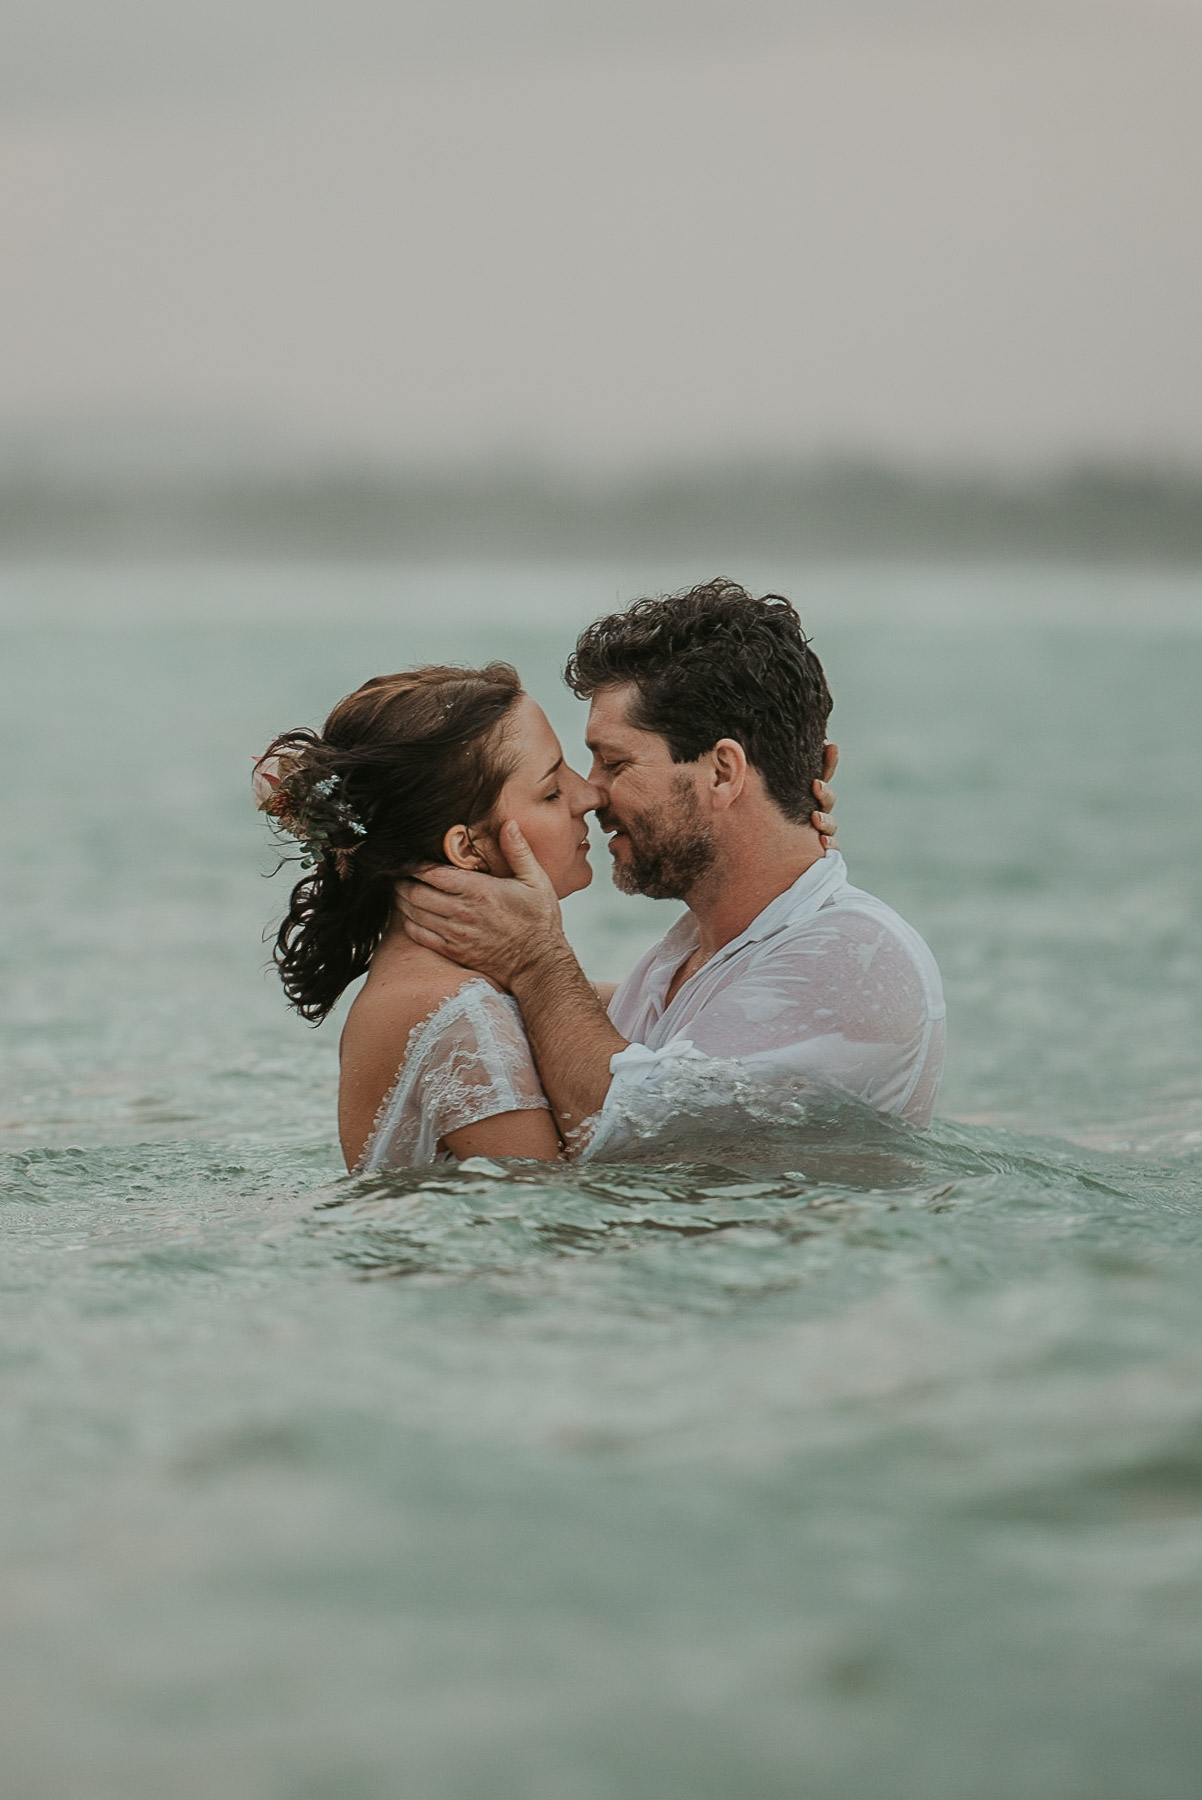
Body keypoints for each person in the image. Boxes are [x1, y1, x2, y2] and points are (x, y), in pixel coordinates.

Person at [398, 579, 946, 1156]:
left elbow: (622, 1137)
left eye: (614, 762)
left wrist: (535, 959)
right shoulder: (701, 950)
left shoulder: (853, 957)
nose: (590, 793)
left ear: (722, 773)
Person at [255, 655, 838, 1171]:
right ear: (468, 850)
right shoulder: (457, 1010)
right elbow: (552, 1233)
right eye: (551, 792)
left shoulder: (455, 987)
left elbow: (667, 1011)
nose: (588, 795)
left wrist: (779, 841)